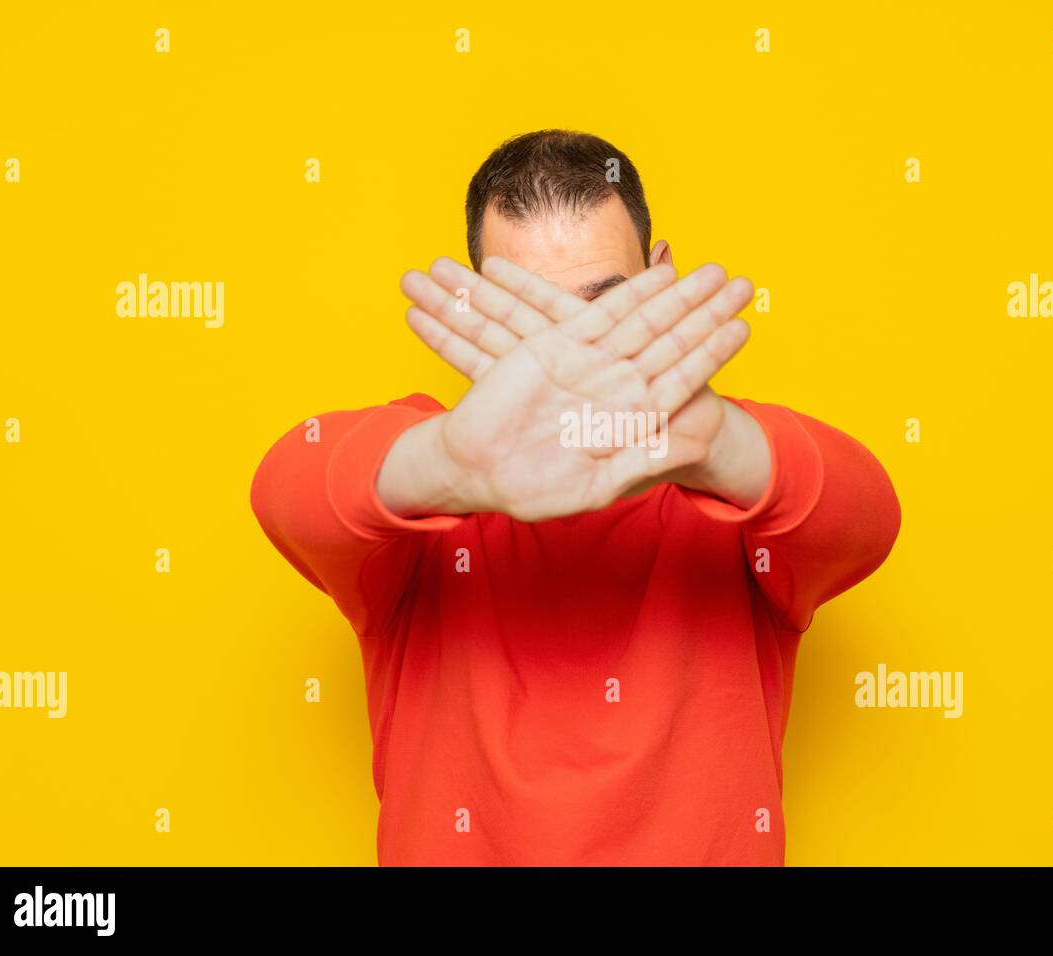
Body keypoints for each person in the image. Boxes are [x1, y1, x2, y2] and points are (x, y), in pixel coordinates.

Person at [250, 129, 902, 865]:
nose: (572, 357)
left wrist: (714, 443)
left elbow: (869, 515)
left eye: (604, 307)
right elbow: (285, 488)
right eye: (533, 318)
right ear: (479, 311)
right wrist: (450, 465)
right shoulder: (423, 498)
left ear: (661, 280)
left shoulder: (728, 480)